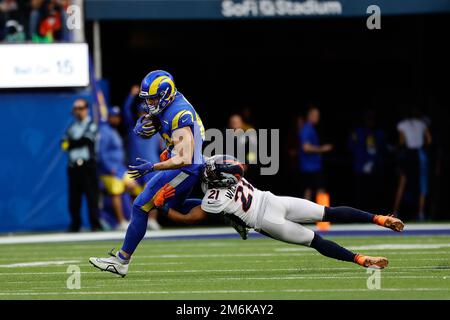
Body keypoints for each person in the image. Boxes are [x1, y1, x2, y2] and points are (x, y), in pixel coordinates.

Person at [156, 155, 404, 270]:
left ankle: (360, 259)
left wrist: (162, 207)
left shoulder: (215, 198)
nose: (208, 170)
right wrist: (175, 157)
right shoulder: (229, 175)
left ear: (223, 181)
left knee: (316, 241)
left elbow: (190, 217)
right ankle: (379, 218)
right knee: (329, 212)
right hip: (275, 201)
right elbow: (204, 164)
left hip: (266, 220)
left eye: (212, 172)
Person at [89, 70, 206, 276]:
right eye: (147, 99)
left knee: (141, 205)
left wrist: (152, 167)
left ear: (166, 95)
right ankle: (226, 208)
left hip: (186, 167)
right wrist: (152, 122)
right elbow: (159, 119)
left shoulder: (180, 113)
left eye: (153, 99)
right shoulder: (168, 104)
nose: (149, 104)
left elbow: (185, 157)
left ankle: (122, 260)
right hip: (182, 163)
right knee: (170, 206)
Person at [123, 84, 163, 230]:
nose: (143, 116)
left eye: (145, 113)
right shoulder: (133, 126)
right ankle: (133, 219)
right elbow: (126, 111)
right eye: (141, 113)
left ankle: (152, 220)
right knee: (132, 192)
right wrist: (131, 96)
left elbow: (164, 148)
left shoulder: (158, 129)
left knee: (152, 193)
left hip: (152, 165)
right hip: (135, 165)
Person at [61, 99, 102, 232]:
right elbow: (63, 144)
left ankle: (95, 224)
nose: (78, 111)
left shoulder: (91, 125)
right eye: (76, 108)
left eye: (81, 107)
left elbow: (87, 140)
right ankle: (75, 224)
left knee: (92, 196)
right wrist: (72, 143)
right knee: (74, 198)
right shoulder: (71, 127)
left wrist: (71, 143)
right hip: (73, 167)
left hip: (88, 166)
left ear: (86, 109)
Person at [98, 106, 140, 230]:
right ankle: (121, 222)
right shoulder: (104, 131)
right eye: (113, 116)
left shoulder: (113, 130)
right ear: (109, 117)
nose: (116, 119)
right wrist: (110, 168)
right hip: (110, 170)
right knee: (116, 191)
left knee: (136, 188)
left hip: (120, 169)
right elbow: (101, 153)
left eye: (117, 117)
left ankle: (135, 219)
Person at [394, 108, 432, 221]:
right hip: (420, 154)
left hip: (408, 153)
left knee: (403, 182)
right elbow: (429, 140)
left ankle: (395, 211)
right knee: (422, 183)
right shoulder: (421, 123)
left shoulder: (402, 124)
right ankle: (421, 213)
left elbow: (401, 141)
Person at [348, 110, 386, 211]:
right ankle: (360, 213)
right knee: (360, 192)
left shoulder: (378, 133)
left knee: (375, 191)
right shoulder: (358, 132)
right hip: (360, 167)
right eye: (368, 119)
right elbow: (351, 147)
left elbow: (382, 149)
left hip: (375, 167)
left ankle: (375, 213)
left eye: (372, 119)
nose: (370, 121)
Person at [298, 105, 333, 201]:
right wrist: (323, 149)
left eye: (318, 115)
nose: (317, 117)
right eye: (315, 115)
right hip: (311, 167)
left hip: (311, 166)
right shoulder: (307, 129)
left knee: (308, 190)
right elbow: (305, 147)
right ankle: (324, 213)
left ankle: (306, 215)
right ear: (309, 115)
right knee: (320, 190)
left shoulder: (310, 128)